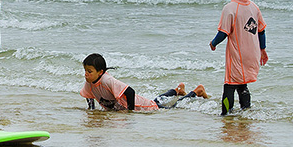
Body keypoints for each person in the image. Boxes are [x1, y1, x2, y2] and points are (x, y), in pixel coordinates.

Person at [209, 0, 268, 115]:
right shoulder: (254, 7)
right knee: (242, 84)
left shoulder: (230, 8)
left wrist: (213, 43)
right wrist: (263, 49)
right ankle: (246, 112)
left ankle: (226, 114)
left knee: (229, 84)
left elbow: (223, 32)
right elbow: (261, 30)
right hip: (252, 53)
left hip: (237, 54)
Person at [80, 53, 208, 112]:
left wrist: (130, 112)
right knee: (157, 100)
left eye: (89, 71)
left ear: (100, 72)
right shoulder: (89, 82)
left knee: (172, 108)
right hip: (139, 104)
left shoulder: (107, 80)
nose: (86, 74)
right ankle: (177, 90)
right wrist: (92, 110)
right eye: (85, 70)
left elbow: (130, 92)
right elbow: (89, 96)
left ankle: (196, 91)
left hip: (141, 106)